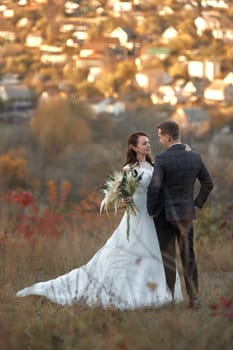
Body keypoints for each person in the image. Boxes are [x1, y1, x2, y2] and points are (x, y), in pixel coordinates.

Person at [16, 131, 183, 310]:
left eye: (148, 142)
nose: (148, 146)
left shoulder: (153, 166)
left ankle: (155, 291)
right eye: (144, 143)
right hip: (136, 215)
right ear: (134, 147)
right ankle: (129, 292)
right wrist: (125, 197)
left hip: (152, 216)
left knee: (154, 252)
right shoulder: (129, 169)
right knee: (130, 250)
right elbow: (124, 191)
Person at [147, 121, 214, 309]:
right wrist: (196, 205)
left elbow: (154, 188)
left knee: (168, 257)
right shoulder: (195, 157)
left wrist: (151, 210)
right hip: (186, 214)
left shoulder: (162, 159)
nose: (159, 140)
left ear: (168, 137)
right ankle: (195, 299)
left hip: (165, 216)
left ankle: (170, 299)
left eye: (160, 136)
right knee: (188, 256)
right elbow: (208, 184)